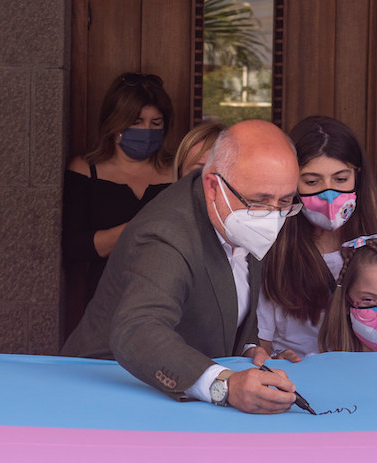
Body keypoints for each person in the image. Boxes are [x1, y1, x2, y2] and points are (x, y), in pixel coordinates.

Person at [62, 120, 303, 414]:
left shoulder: (238, 208)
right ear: (213, 187)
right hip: (109, 391)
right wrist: (226, 385)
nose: (272, 217)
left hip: (184, 396)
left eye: (285, 202)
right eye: (259, 202)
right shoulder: (167, 233)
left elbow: (228, 295)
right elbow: (137, 331)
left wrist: (248, 348)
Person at [258, 116, 377, 362]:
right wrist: (274, 359)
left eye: (341, 179)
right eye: (312, 181)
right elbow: (260, 345)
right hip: (296, 376)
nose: (329, 194)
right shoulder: (270, 252)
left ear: (358, 177)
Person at [62, 72, 175, 340]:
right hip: (104, 301)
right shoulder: (85, 170)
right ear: (114, 123)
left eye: (156, 123)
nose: (146, 131)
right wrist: (139, 230)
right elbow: (74, 245)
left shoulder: (178, 172)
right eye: (136, 122)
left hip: (167, 298)